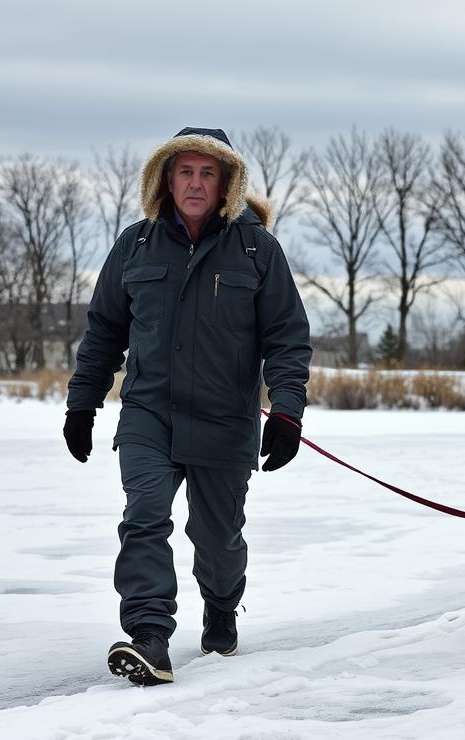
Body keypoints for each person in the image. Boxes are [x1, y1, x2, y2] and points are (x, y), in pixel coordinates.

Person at [64, 127, 311, 686]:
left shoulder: (257, 250)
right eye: (185, 171)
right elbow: (104, 330)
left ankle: (222, 607)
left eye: (207, 173)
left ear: (226, 183)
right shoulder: (135, 245)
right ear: (166, 179)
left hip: (226, 421)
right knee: (144, 516)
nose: (195, 183)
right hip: (150, 412)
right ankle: (150, 634)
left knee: (217, 537)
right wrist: (82, 404)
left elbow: (287, 338)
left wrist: (288, 412)